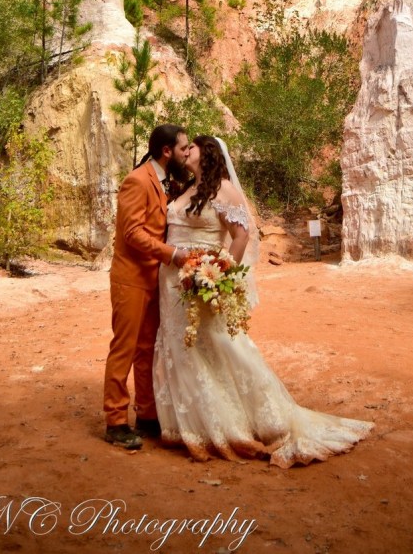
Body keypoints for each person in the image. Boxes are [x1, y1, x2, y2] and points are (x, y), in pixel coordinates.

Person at [153, 135, 374, 468]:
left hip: (201, 278)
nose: (186, 151)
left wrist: (219, 272)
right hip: (172, 282)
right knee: (183, 349)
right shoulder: (186, 188)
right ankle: (189, 424)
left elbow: (241, 234)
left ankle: (236, 423)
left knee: (217, 346)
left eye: (191, 147)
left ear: (207, 152)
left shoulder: (223, 189)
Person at [103, 123, 190, 449]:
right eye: (183, 148)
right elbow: (132, 233)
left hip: (154, 279)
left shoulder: (167, 181)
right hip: (131, 279)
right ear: (167, 151)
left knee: (146, 350)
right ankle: (115, 421)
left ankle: (147, 415)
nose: (187, 153)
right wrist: (173, 254)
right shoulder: (137, 180)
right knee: (124, 348)